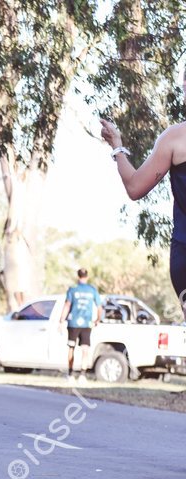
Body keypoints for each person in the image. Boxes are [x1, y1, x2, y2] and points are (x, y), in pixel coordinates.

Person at [100, 92, 186, 321]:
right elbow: (135, 188)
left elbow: (135, 187)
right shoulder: (174, 138)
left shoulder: (174, 138)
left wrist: (117, 147)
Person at [58, 268, 103, 384]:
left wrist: (61, 320)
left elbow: (67, 305)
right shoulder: (92, 290)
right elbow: (99, 307)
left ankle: (70, 374)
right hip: (87, 323)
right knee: (85, 349)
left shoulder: (73, 289)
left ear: (78, 276)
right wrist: (98, 319)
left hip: (73, 323)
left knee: (71, 348)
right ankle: (82, 375)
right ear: (87, 277)